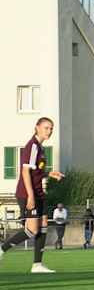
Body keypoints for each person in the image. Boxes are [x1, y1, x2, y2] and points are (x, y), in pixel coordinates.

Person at [0, 117, 65, 273]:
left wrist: (49, 174)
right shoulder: (33, 146)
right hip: (28, 193)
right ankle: (2, 249)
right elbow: (25, 171)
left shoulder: (41, 148)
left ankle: (37, 265)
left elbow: (36, 172)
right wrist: (30, 196)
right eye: (46, 128)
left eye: (51, 128)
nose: (49, 131)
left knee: (43, 225)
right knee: (32, 230)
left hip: (38, 193)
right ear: (37, 128)